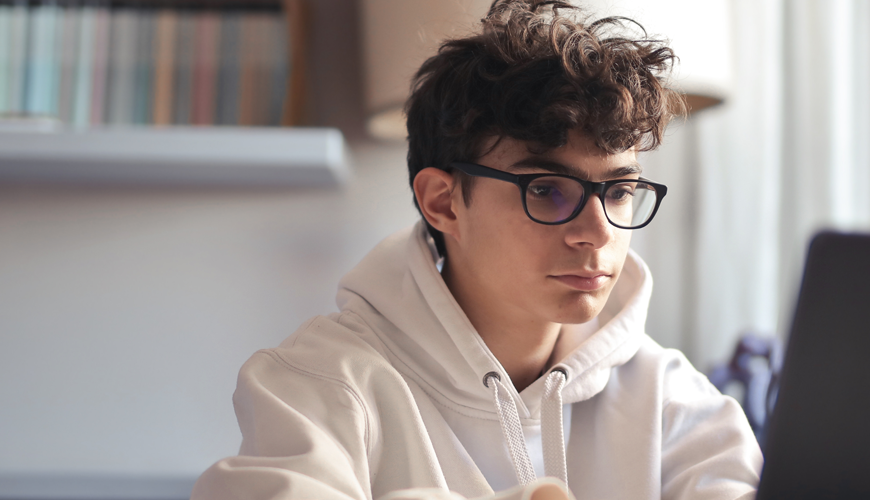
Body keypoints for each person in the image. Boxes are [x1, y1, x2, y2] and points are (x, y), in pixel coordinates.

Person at [189, 1, 763, 499]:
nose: (597, 230)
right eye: (547, 189)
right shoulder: (321, 382)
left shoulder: (671, 397)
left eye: (619, 191)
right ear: (443, 202)